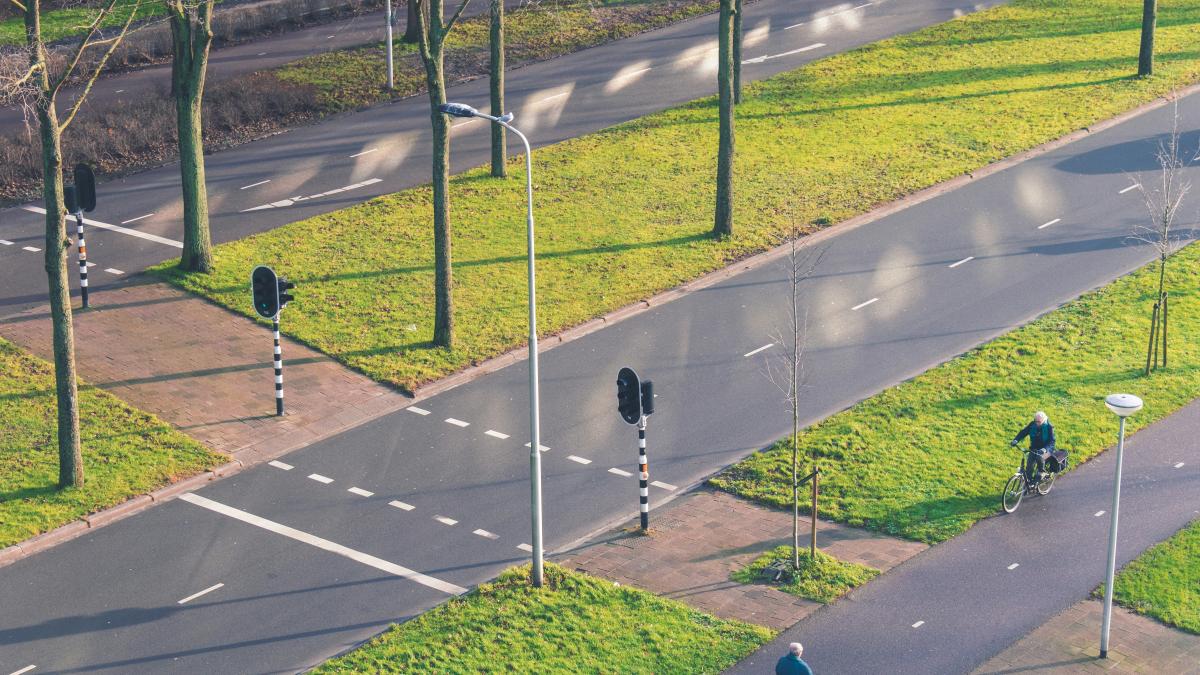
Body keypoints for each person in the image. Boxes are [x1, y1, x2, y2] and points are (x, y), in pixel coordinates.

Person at [1011, 411, 1055, 483]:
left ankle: (1042, 472)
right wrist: (1016, 440)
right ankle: (1028, 485)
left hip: (1047, 450)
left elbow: (1052, 442)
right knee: (1029, 467)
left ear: (1043, 420)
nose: (1037, 423)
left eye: (1039, 422)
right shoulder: (1032, 424)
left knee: (1039, 457)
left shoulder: (1049, 427)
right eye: (1036, 421)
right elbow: (1023, 432)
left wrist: (1045, 449)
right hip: (1034, 449)